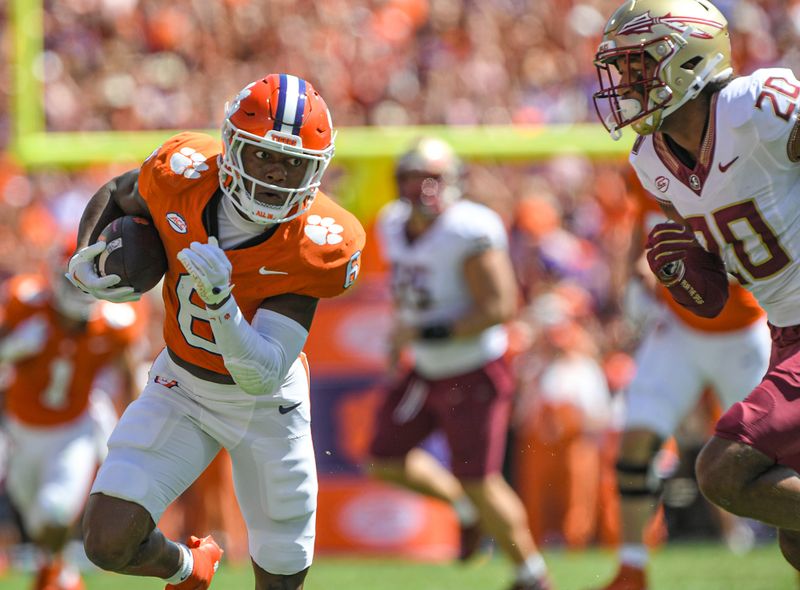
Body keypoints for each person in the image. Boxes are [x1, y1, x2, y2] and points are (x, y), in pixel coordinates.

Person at [65, 73, 366, 590]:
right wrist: (86, 255)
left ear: (317, 170)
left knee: (279, 579)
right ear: (230, 147)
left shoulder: (319, 241)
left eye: (293, 163)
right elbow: (120, 193)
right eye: (263, 156)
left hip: (268, 407)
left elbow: (262, 373)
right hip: (181, 385)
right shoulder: (182, 171)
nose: (275, 174)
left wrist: (222, 304)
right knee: (106, 542)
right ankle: (188, 569)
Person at [593, 0, 800, 579]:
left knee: (724, 470)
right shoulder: (651, 162)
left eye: (637, 66)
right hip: (783, 330)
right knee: (797, 542)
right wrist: (696, 276)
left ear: (687, 58)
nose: (625, 85)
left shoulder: (754, 106)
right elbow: (725, 273)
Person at [367, 137, 552, 590]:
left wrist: (422, 333)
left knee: (481, 479)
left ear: (453, 181)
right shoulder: (391, 224)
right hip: (425, 366)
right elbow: (407, 290)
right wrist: (402, 336)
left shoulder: (470, 228)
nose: (422, 189)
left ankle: (532, 575)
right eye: (413, 178)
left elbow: (499, 307)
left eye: (431, 178)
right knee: (384, 458)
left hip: (473, 369)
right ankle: (465, 508)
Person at [591, 172, 770, 590]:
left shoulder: (729, 156)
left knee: (780, 457)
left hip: (742, 330)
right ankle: (632, 571)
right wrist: (639, 273)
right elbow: (645, 230)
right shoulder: (645, 160)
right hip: (678, 328)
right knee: (635, 442)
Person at [0, 241, 142, 590]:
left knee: (55, 510)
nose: (79, 292)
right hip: (20, 430)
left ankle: (56, 575)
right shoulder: (24, 303)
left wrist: (136, 426)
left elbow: (130, 376)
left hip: (72, 431)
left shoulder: (113, 324)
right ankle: (57, 570)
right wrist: (9, 349)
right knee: (35, 520)